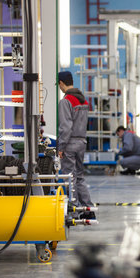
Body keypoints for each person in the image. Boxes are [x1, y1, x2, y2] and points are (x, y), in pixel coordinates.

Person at [57, 71, 95, 219]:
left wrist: (61, 147)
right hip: (82, 142)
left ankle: (73, 210)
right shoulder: (83, 100)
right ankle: (88, 209)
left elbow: (65, 127)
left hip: (70, 143)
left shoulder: (66, 101)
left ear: (61, 83)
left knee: (69, 177)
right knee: (79, 176)